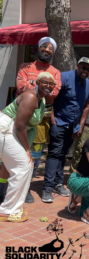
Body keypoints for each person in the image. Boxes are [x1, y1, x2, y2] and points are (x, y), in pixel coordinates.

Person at [0, 37, 62, 204]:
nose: (47, 50)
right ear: (38, 48)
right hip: (20, 115)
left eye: (50, 48)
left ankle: (26, 187)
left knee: (33, 156)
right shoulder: (25, 66)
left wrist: (34, 84)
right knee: (9, 156)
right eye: (44, 46)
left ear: (53, 52)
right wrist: (39, 88)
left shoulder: (56, 72)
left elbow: (54, 92)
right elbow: (20, 86)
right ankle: (3, 187)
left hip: (41, 118)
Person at [0, 73, 55, 222]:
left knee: (26, 166)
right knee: (23, 166)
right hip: (6, 129)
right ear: (37, 82)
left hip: (12, 131)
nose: (48, 86)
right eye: (45, 82)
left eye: (51, 84)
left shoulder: (41, 99)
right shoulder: (31, 97)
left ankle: (14, 206)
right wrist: (27, 150)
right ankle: (6, 210)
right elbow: (19, 126)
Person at [42, 57, 89, 203]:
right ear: (77, 66)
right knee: (54, 154)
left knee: (63, 154)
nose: (86, 71)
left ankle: (58, 183)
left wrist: (81, 126)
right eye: (83, 67)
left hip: (73, 127)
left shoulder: (88, 84)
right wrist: (53, 122)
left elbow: (87, 106)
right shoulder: (63, 77)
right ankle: (47, 187)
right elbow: (49, 99)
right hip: (58, 123)